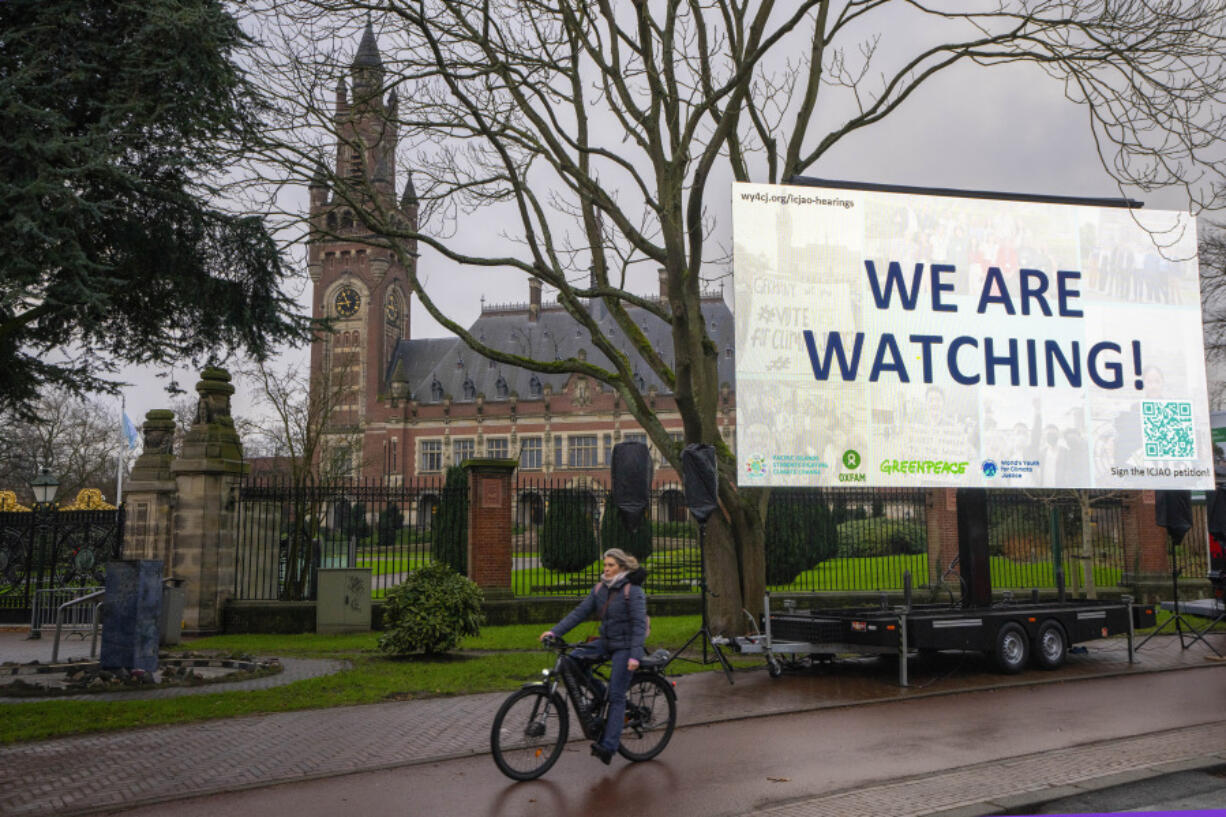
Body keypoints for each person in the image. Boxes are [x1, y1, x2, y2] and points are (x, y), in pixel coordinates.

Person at [539, 548, 647, 765]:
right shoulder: (599, 589)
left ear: (622, 568)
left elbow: (639, 624)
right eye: (605, 565)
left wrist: (635, 656)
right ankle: (599, 694)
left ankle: (608, 746)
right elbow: (579, 613)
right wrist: (555, 632)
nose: (606, 569)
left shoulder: (632, 590)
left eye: (611, 566)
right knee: (571, 661)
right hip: (606, 642)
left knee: (616, 695)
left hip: (626, 647)